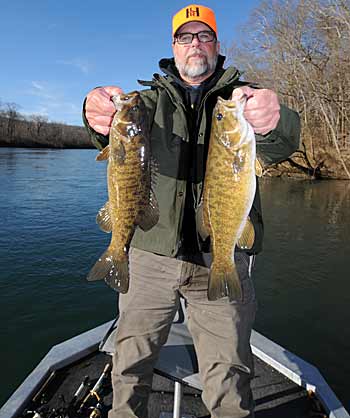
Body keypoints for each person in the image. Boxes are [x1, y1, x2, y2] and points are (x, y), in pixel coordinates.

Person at [83, 4, 300, 418]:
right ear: (173, 47)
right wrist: (95, 112)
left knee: (229, 376)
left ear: (217, 46)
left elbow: (283, 142)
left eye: (204, 36)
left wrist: (276, 120)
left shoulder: (241, 102)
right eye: (186, 37)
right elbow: (108, 132)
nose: (195, 44)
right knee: (129, 365)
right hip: (148, 258)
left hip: (220, 254)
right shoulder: (146, 102)